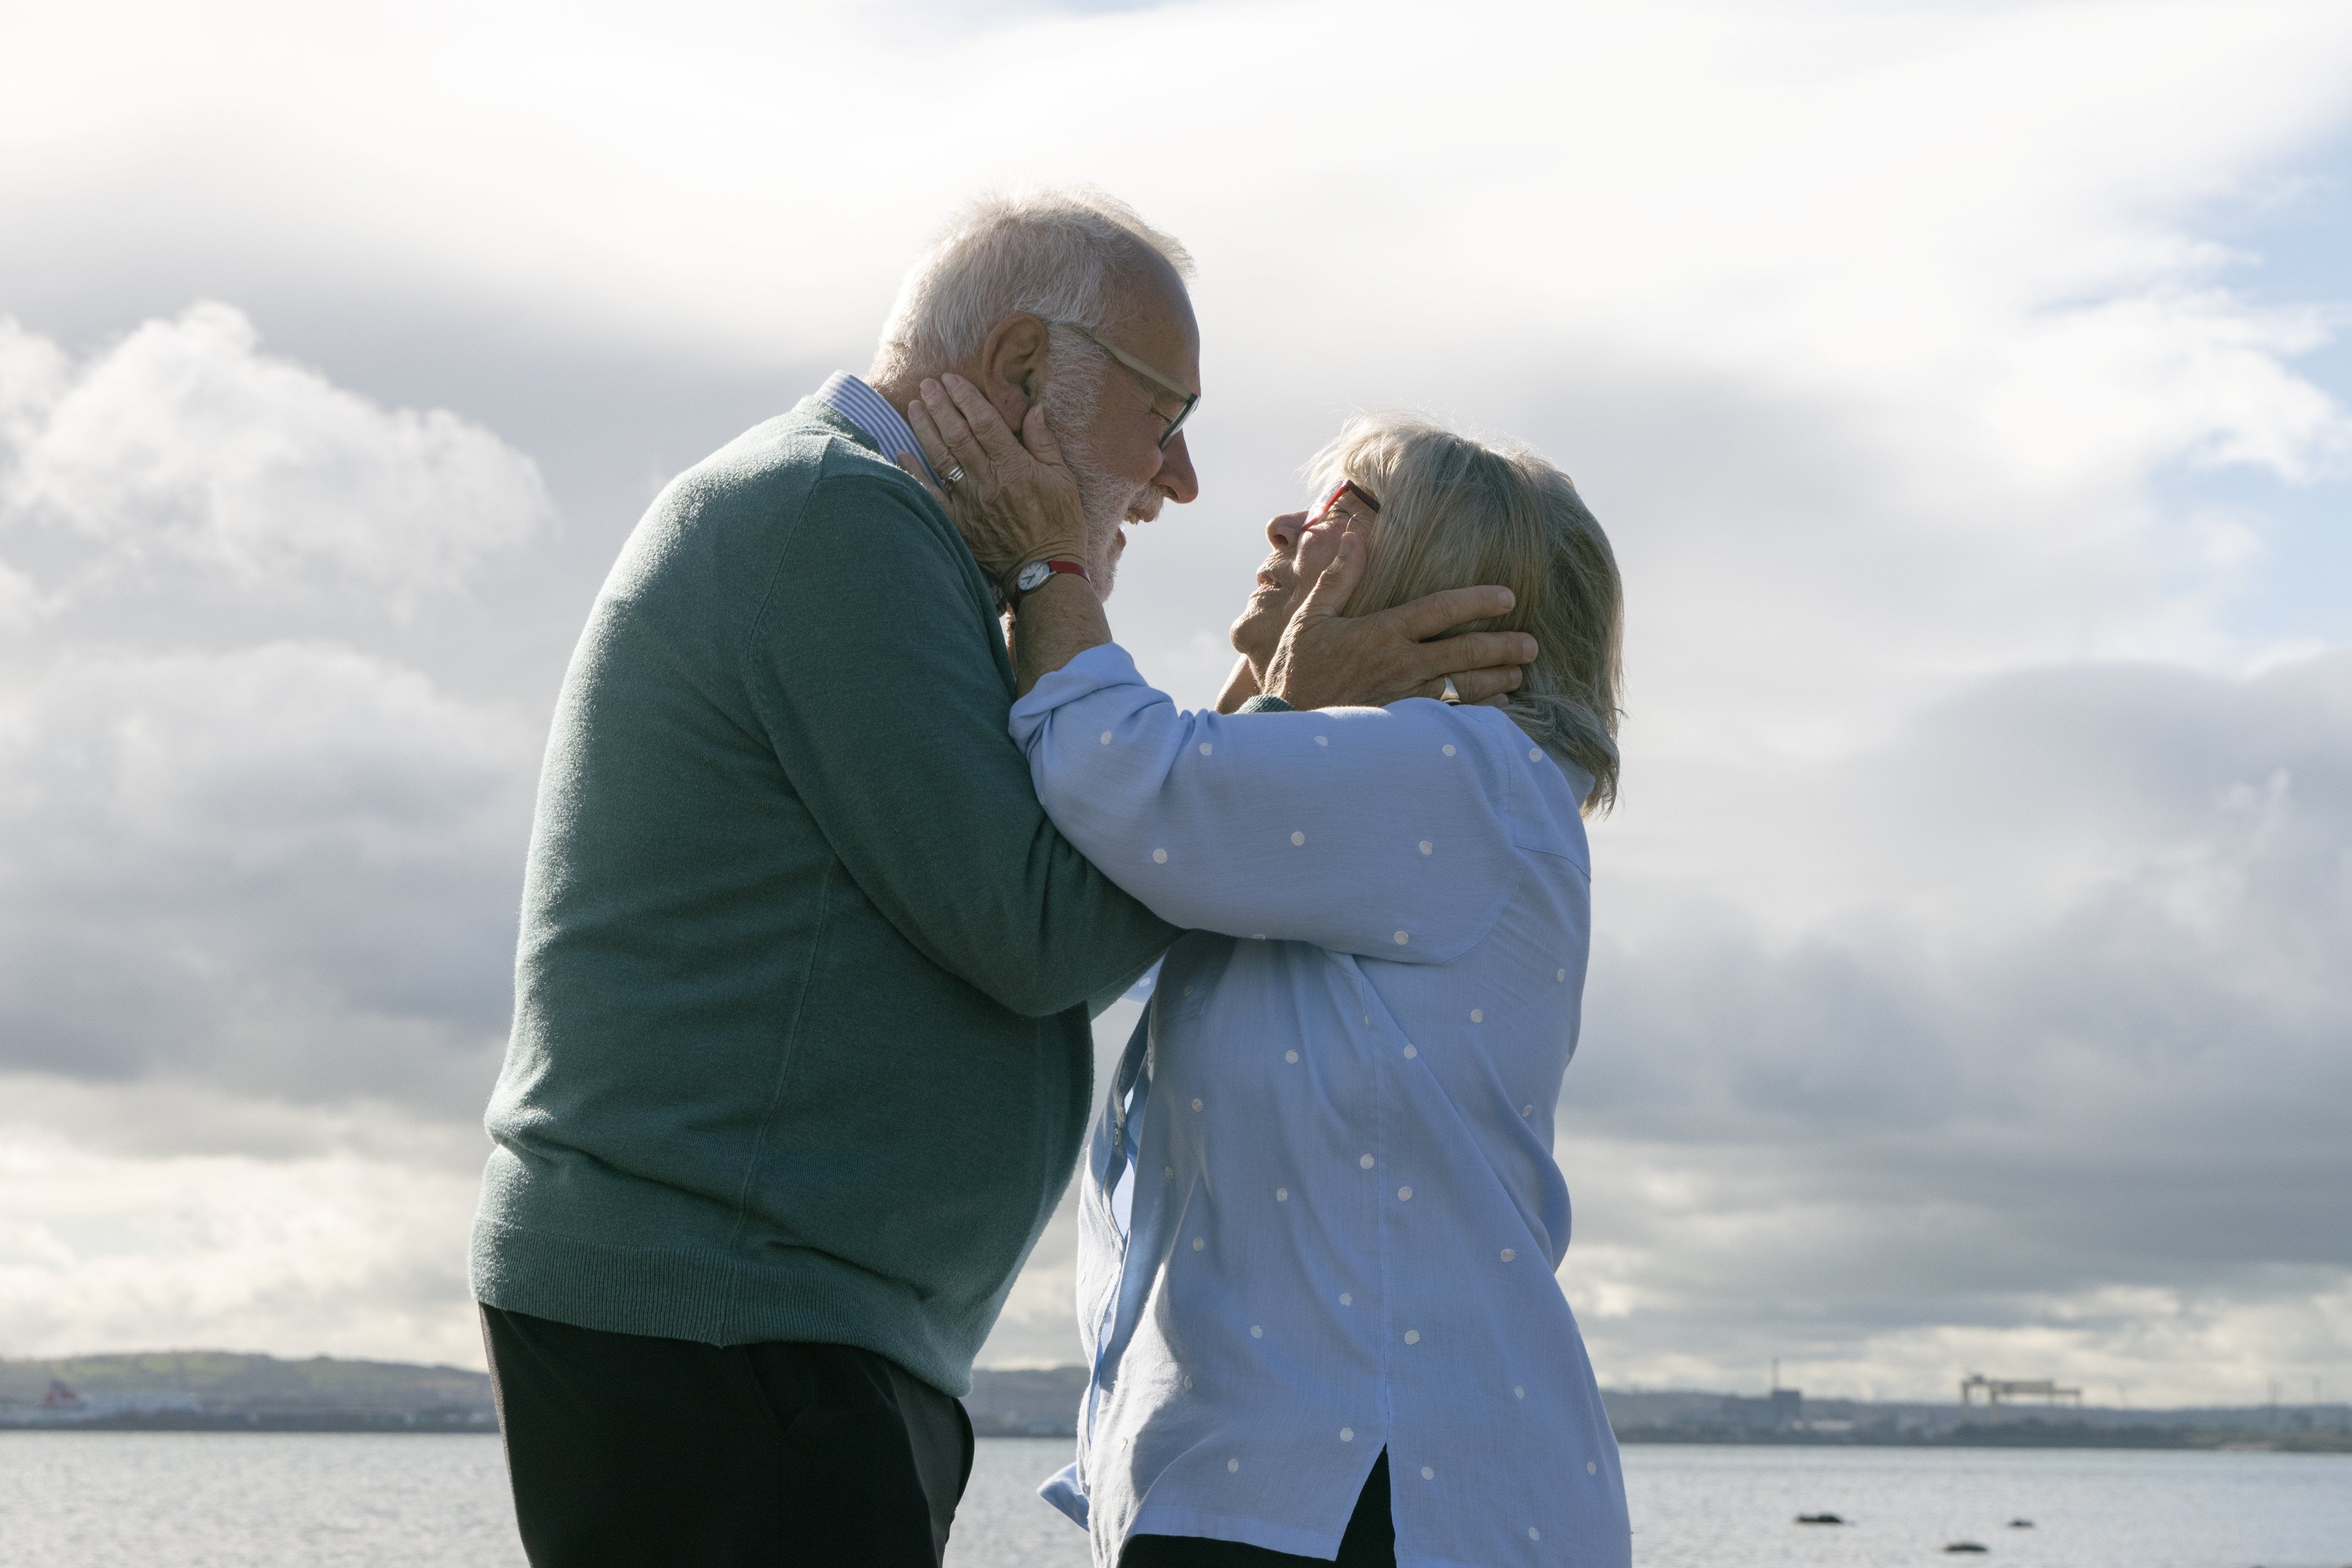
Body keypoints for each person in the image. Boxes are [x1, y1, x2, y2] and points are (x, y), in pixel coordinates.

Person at [468, 189, 1538, 1568]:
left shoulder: (874, 535)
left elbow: (1090, 848)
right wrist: (1283, 711)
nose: (1181, 482)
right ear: (1026, 370)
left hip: (764, 1331)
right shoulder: (833, 521)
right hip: (728, 1327)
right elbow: (1035, 928)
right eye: (1166, 420)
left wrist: (1257, 703)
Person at [904, 382, 1630, 1568]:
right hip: (1314, 1493)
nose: (1284, 534)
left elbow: (1128, 779)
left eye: (1346, 510)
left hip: (1371, 1494)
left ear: (1445, 579)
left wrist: (1047, 566)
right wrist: (1288, 677)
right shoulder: (1374, 808)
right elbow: (1161, 831)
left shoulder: (1464, 777)